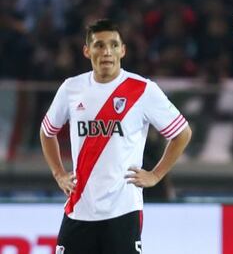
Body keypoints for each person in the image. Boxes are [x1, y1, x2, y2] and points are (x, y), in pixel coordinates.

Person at [39, 19, 191, 254]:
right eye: (99, 45)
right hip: (80, 209)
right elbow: (47, 132)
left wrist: (156, 175)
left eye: (113, 45)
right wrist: (58, 173)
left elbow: (182, 133)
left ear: (123, 50)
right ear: (87, 51)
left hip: (123, 211)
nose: (106, 51)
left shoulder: (143, 90)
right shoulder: (71, 88)